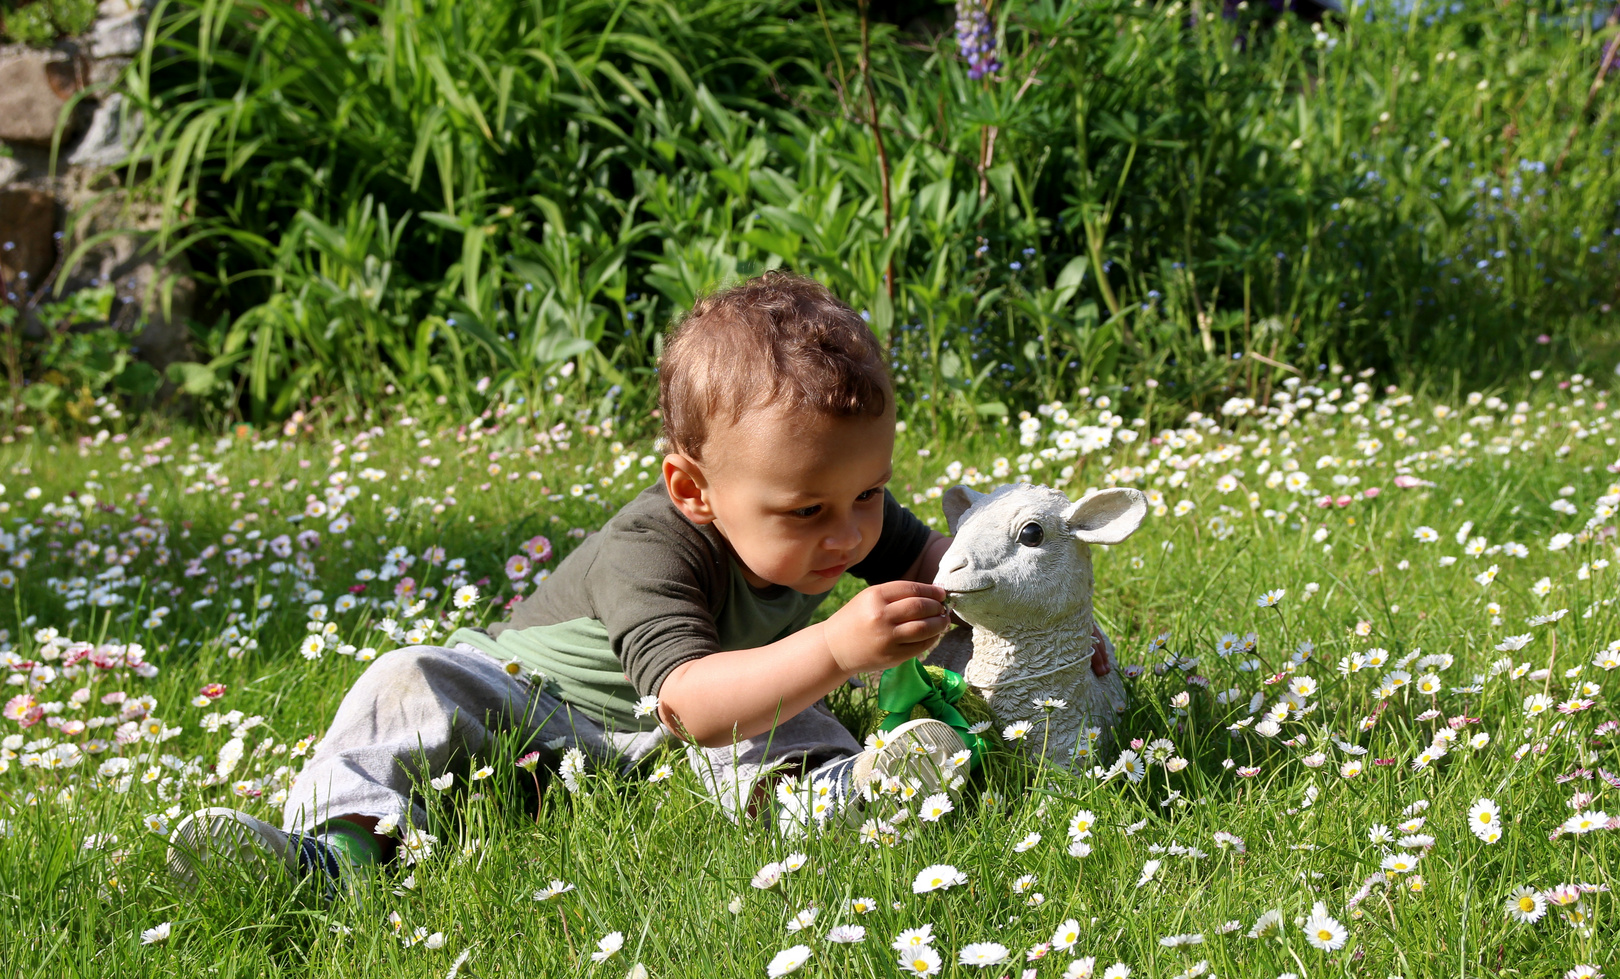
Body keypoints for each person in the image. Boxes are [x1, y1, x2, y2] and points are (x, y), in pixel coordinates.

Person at [166, 272, 1105, 892]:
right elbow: (693, 705)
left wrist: (1033, 631)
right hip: (530, 706)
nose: (851, 531)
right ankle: (333, 858)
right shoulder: (648, 550)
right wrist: (831, 648)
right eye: (808, 511)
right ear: (695, 491)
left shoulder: (841, 515)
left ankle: (863, 791)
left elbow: (955, 581)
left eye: (867, 493)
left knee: (775, 708)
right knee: (407, 681)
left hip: (651, 742)